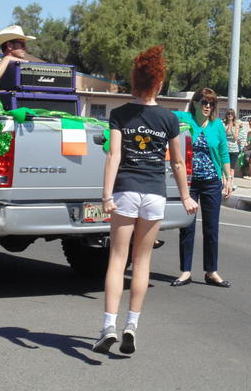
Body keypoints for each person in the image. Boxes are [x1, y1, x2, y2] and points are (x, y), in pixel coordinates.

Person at [92, 46, 198, 355]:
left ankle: (108, 326)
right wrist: (186, 196)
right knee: (142, 262)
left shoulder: (119, 114)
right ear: (160, 83)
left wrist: (106, 195)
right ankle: (131, 326)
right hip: (154, 194)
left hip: (125, 190)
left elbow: (114, 155)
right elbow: (178, 163)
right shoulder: (169, 118)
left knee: (116, 259)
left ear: (134, 81)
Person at [171, 88, 232, 288]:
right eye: (204, 102)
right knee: (187, 227)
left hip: (212, 182)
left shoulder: (217, 126)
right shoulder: (185, 119)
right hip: (190, 182)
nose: (208, 107)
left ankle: (211, 271)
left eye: (211, 103)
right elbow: (164, 115)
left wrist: (228, 178)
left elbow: (223, 152)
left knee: (211, 228)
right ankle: (185, 271)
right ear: (195, 102)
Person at [223, 109, 242, 184]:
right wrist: (228, 127)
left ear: (233, 116)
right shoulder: (224, 124)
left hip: (234, 149)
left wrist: (231, 129)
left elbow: (236, 137)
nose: (230, 116)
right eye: (228, 114)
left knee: (232, 168)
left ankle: (231, 183)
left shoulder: (236, 124)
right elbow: (223, 135)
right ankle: (224, 182)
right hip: (226, 148)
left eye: (231, 114)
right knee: (225, 166)